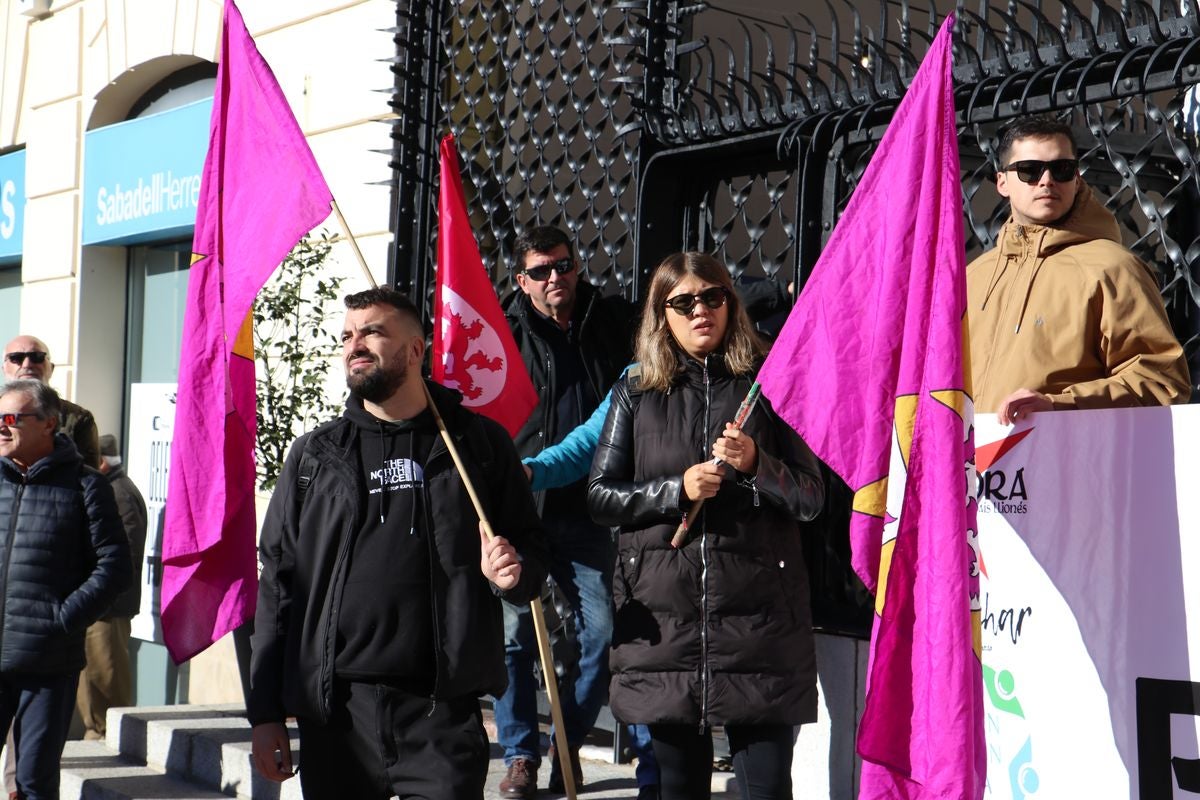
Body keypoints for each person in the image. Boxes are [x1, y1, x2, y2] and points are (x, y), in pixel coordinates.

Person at [247, 287, 549, 799]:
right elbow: (278, 587)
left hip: (441, 716)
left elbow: (532, 555)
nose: (354, 345)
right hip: (338, 716)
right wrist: (266, 714)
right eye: (347, 335)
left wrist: (512, 573)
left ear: (416, 349)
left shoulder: (477, 444)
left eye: (373, 331)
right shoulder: (314, 456)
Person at [588, 252, 825, 800]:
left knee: (766, 789)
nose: (701, 310)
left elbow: (812, 498)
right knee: (677, 789)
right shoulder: (636, 392)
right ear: (661, 314)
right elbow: (601, 497)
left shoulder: (770, 385)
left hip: (760, 627)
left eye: (713, 297)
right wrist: (677, 490)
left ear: (730, 304)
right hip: (664, 626)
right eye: (683, 302)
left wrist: (755, 465)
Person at [498, 225, 634, 797]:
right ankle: (520, 755)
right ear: (521, 280)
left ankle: (567, 746)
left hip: (587, 510)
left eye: (564, 265)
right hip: (517, 505)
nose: (556, 278)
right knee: (512, 638)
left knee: (599, 636)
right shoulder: (500, 334)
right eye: (541, 270)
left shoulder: (613, 324)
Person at [967, 115, 1191, 422]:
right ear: (1002, 182)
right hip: (972, 466)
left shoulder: (1114, 269)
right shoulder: (973, 277)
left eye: (1062, 169)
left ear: (1077, 178)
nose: (1046, 180)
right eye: (1029, 170)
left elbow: (1162, 381)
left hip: (1071, 461)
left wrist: (1062, 405)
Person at [0, 380, 129, 800]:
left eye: (11, 419)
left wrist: (63, 619)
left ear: (49, 424)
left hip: (47, 664)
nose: (1, 428)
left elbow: (113, 568)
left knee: (34, 782)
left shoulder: (86, 486)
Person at [76, 434, 147, 741]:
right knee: (92, 678)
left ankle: (111, 739)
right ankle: (98, 733)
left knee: (106, 678)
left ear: (102, 462)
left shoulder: (118, 493)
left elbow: (124, 556)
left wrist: (97, 593)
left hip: (108, 609)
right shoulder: (111, 489)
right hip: (97, 605)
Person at [2, 336, 100, 468]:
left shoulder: (77, 418)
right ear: (4, 368)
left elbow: (87, 473)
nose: (27, 364)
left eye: (37, 356)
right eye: (16, 358)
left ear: (51, 368)